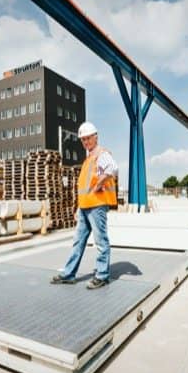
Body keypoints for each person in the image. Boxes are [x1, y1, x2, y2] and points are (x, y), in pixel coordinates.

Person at [51, 121, 118, 289]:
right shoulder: (89, 159)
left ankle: (102, 275)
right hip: (85, 206)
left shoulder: (102, 154)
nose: (86, 142)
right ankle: (69, 274)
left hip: (97, 205)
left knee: (101, 241)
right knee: (78, 241)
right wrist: (79, 207)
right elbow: (84, 186)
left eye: (88, 138)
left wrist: (98, 185)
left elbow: (112, 169)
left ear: (95, 137)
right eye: (83, 140)